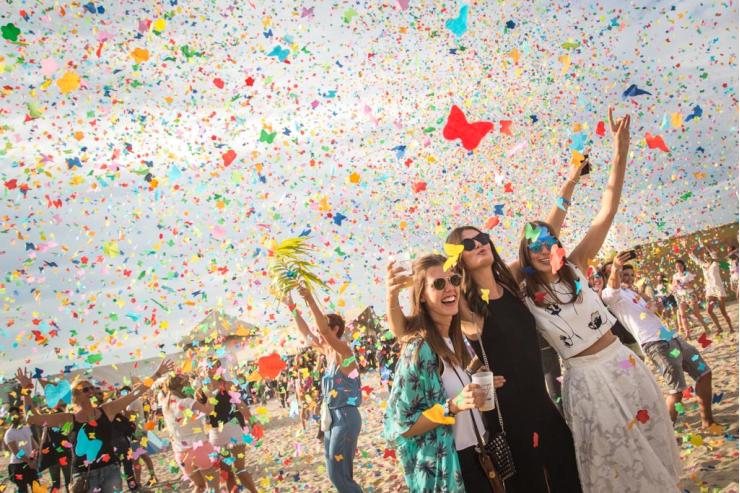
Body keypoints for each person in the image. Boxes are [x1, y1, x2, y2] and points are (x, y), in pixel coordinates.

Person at [515, 108, 681, 491]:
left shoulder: (576, 265)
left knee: (651, 442)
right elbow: (538, 237)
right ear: (525, 254)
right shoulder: (523, 293)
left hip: (622, 362)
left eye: (549, 243)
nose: (544, 249)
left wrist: (620, 151)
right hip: (585, 378)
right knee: (613, 460)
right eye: (534, 246)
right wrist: (569, 184)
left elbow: (607, 210)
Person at [384, 254, 505, 492]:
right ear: (422, 295)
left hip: (480, 456)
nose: (450, 288)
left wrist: (480, 391)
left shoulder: (457, 341)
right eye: (439, 283)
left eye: (454, 279)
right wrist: (454, 406)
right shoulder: (419, 349)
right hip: (451, 467)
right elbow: (402, 425)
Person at [15, 359, 173, 493]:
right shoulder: (68, 418)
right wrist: (26, 390)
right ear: (76, 394)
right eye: (85, 389)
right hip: (83, 474)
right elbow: (32, 418)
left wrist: (158, 374)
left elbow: (135, 394)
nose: (91, 390)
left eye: (91, 387)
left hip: (111, 469)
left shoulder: (107, 410)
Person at [602, 254, 716, 428]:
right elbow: (612, 286)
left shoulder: (634, 294)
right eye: (624, 275)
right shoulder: (611, 296)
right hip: (656, 345)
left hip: (673, 339)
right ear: (611, 275)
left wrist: (657, 307)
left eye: (632, 275)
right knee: (677, 390)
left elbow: (652, 315)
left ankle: (708, 421)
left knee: (704, 373)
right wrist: (616, 267)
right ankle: (669, 432)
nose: (629, 279)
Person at [283, 285, 363, 493]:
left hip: (345, 416)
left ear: (335, 330)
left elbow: (323, 331)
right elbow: (306, 332)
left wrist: (310, 299)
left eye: (324, 327)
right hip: (331, 418)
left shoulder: (345, 352)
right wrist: (291, 306)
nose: (319, 331)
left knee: (338, 475)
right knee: (335, 471)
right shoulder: (327, 353)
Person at [198, 359, 258, 493]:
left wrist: (252, 421)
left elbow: (240, 404)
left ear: (218, 368)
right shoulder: (201, 391)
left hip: (232, 428)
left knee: (240, 470)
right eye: (205, 367)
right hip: (215, 433)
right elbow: (199, 415)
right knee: (227, 473)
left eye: (211, 366)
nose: (208, 369)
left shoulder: (227, 384)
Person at [159, 373, 220, 493]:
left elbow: (187, 417)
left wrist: (196, 400)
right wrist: (209, 394)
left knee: (199, 486)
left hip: (181, 453)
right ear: (183, 387)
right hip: (199, 447)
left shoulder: (165, 406)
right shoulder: (186, 401)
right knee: (213, 487)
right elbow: (209, 410)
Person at [689, 245, 735, 333]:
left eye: (708, 256)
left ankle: (731, 327)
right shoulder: (703, 265)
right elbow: (693, 258)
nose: (706, 258)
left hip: (718, 289)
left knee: (723, 311)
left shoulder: (715, 263)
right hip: (709, 290)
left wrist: (704, 245)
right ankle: (719, 328)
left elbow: (713, 253)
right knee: (709, 310)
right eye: (705, 257)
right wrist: (688, 249)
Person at [4, 406, 40, 492]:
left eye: (14, 414)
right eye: (11, 415)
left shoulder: (27, 428)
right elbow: (16, 452)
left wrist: (34, 458)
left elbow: (34, 445)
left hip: (30, 463)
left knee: (37, 489)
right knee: (23, 490)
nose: (13, 417)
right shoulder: (9, 433)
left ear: (19, 415)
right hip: (17, 466)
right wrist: (29, 462)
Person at [672, 259, 710, 338]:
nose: (678, 267)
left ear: (683, 266)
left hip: (690, 295)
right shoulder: (675, 276)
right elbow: (673, 286)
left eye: (680, 266)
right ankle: (687, 334)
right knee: (682, 315)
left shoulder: (688, 274)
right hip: (681, 296)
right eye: (677, 266)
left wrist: (683, 285)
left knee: (696, 313)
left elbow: (692, 285)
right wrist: (675, 285)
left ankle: (706, 326)